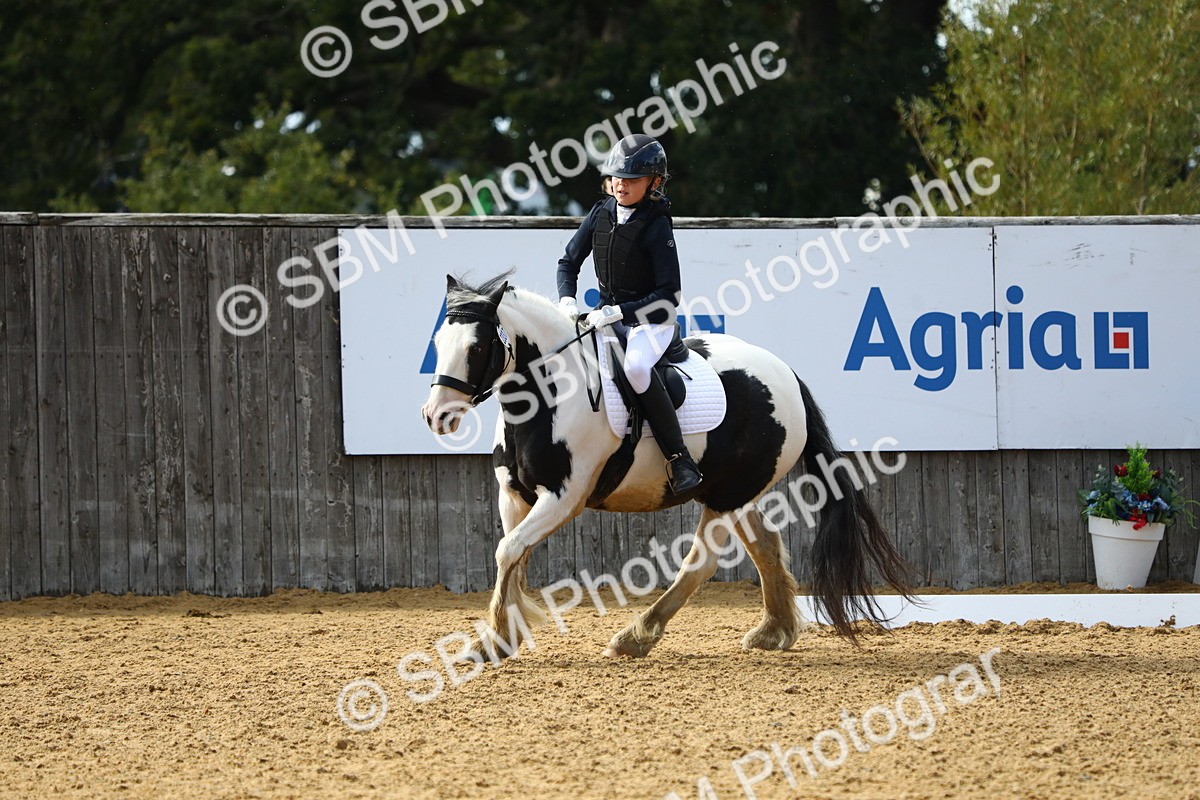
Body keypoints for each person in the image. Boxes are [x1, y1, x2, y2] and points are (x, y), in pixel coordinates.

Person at [556, 134, 703, 494]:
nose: (621, 185)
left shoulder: (657, 225)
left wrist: (620, 311)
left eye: (632, 179)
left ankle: (680, 458)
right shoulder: (600, 212)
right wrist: (567, 300)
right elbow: (568, 261)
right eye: (617, 177)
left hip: (651, 323)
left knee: (636, 367)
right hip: (606, 317)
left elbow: (669, 295)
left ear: (654, 182)